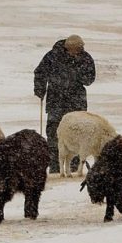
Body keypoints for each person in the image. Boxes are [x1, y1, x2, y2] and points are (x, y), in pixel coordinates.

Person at [33, 34, 96, 173]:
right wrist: (40, 88)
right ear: (68, 48)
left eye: (81, 49)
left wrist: (77, 71)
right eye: (77, 49)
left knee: (77, 133)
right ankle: (55, 166)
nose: (80, 51)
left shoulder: (85, 58)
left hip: (76, 102)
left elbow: (90, 79)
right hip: (56, 100)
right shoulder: (52, 56)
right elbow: (40, 72)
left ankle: (74, 167)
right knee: (54, 133)